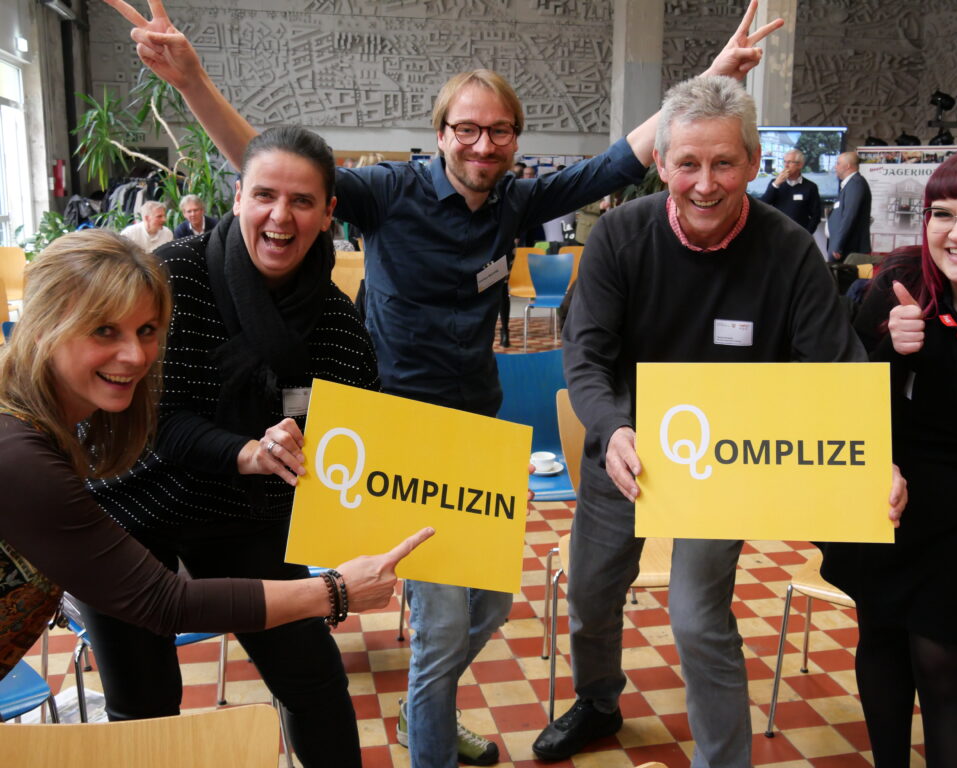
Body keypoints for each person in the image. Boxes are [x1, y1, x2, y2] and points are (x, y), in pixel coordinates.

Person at [100, 2, 781, 764]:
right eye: (468, 128)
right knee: (444, 627)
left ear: (515, 141)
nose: (483, 143)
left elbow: (618, 163)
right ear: (442, 134)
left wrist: (711, 79)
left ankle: (426, 707)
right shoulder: (387, 193)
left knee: (489, 607)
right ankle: (429, 733)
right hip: (403, 435)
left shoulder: (517, 201)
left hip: (476, 435)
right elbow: (274, 169)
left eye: (499, 130)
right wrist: (192, 81)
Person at [537, 74, 906, 765]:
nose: (704, 184)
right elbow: (586, 356)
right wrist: (612, 428)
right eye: (688, 164)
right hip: (626, 447)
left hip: (723, 461)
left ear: (754, 162)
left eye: (724, 163)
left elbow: (836, 365)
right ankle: (597, 700)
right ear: (661, 163)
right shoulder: (619, 236)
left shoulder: (788, 250)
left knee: (698, 617)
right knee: (590, 595)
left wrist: (870, 454)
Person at [0, 228, 432, 681]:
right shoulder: (20, 456)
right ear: (44, 328)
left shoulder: (49, 430)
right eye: (103, 330)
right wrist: (335, 590)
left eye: (146, 331)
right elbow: (164, 603)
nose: (135, 355)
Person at [79, 126, 381, 768]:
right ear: (239, 196)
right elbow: (151, 416)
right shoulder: (170, 279)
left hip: (242, 516)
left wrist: (466, 492)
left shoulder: (336, 321)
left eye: (302, 201)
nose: (280, 216)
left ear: (329, 212)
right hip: (131, 503)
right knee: (144, 707)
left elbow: (366, 438)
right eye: (265, 195)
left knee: (316, 683)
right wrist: (247, 450)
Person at [821, 145, 957, 768]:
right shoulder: (900, 284)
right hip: (893, 495)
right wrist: (891, 350)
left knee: (942, 662)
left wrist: (954, 351)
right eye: (943, 214)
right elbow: (850, 400)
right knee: (881, 640)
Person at [760, 148, 821, 233]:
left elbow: (816, 215)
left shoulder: (810, 187)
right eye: (784, 162)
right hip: (778, 233)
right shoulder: (775, 183)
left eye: (789, 162)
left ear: (800, 165)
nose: (786, 165)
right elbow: (763, 205)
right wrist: (776, 184)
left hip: (799, 235)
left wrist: (807, 234)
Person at [827, 151, 872, 261]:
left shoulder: (856, 184)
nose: (835, 167)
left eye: (838, 163)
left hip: (848, 249)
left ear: (847, 166)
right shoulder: (850, 184)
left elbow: (849, 216)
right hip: (843, 248)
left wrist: (838, 245)